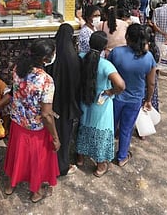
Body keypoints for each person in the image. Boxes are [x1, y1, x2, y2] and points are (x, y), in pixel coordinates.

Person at [4, 39, 60, 203]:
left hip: (17, 122)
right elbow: (46, 114)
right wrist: (56, 138)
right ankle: (35, 192)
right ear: (45, 58)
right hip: (35, 127)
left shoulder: (18, 69)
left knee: (17, 155)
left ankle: (10, 185)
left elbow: (16, 92)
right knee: (36, 160)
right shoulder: (46, 80)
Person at [75, 31, 125, 177]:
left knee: (84, 127)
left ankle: (80, 158)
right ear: (105, 47)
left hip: (84, 101)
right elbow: (121, 85)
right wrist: (110, 92)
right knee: (101, 132)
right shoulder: (106, 65)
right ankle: (100, 165)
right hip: (101, 105)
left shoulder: (81, 57)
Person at [107, 24, 156, 167]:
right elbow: (151, 83)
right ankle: (122, 156)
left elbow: (107, 74)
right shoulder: (149, 58)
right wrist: (148, 100)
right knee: (126, 129)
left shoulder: (116, 53)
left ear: (127, 37)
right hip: (134, 99)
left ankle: (105, 154)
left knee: (110, 126)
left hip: (114, 97)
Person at [47, 23, 82, 176]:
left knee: (51, 135)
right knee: (65, 136)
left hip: (51, 104)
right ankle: (62, 166)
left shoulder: (51, 57)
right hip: (67, 105)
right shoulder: (74, 58)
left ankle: (49, 164)